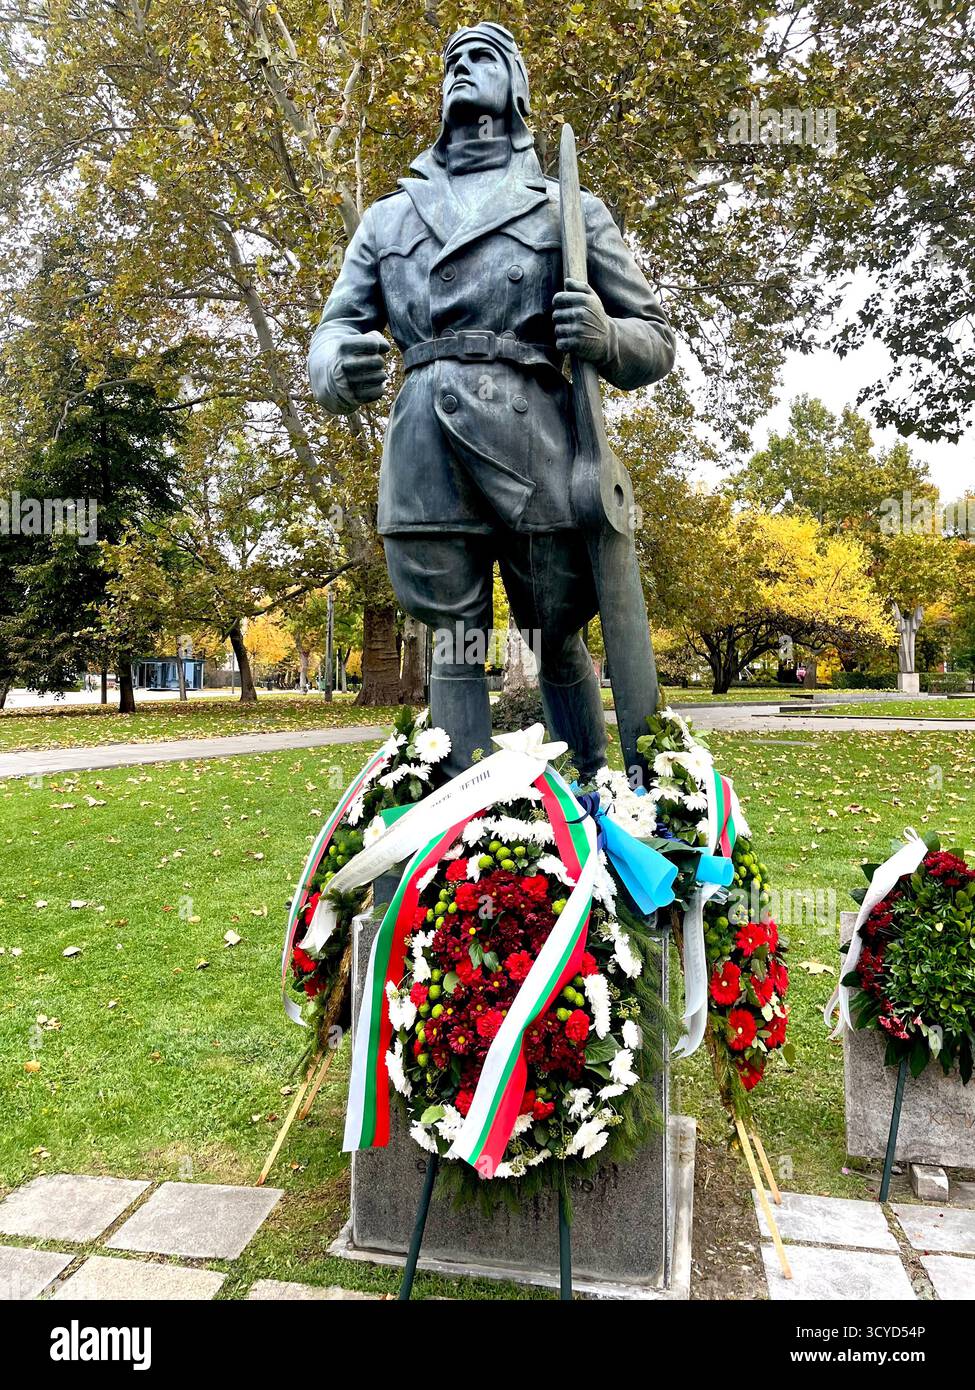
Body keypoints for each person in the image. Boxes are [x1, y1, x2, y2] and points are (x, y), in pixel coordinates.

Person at [309, 22, 674, 776]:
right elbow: (333, 328)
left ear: (518, 87)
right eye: (451, 62)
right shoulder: (388, 218)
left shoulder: (567, 206)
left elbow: (654, 341)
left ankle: (604, 809)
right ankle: (468, 843)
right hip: (424, 448)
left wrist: (605, 336)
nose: (460, 70)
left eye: (481, 58)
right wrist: (336, 367)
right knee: (455, 638)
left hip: (536, 442)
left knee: (555, 632)